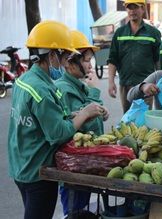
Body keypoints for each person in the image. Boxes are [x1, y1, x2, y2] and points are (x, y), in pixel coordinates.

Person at [7, 20, 105, 219]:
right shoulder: (42, 90)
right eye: (63, 57)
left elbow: (41, 121)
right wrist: (84, 114)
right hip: (38, 172)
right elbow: (57, 134)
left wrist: (74, 116)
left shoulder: (25, 80)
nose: (64, 63)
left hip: (21, 165)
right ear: (51, 55)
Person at [55, 30, 109, 216]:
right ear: (70, 62)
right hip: (74, 166)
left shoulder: (79, 85)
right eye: (85, 60)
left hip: (85, 163)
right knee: (74, 211)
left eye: (90, 60)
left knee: (83, 210)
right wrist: (94, 92)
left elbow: (91, 113)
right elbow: (81, 125)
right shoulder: (64, 88)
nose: (89, 65)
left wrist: (102, 111)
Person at [107, 0, 161, 113]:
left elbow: (157, 60)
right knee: (128, 118)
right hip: (125, 84)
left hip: (146, 84)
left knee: (144, 118)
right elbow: (112, 59)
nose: (132, 11)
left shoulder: (152, 33)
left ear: (142, 9)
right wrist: (111, 82)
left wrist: (160, 82)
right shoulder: (119, 33)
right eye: (129, 8)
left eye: (135, 7)